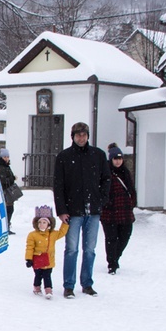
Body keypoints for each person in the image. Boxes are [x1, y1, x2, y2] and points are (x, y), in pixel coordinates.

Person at [53, 122, 111, 299]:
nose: (81, 138)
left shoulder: (98, 155)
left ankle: (87, 283)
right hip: (72, 211)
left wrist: (101, 200)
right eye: (78, 135)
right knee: (71, 249)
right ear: (73, 136)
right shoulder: (64, 157)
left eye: (84, 135)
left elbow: (106, 179)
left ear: (88, 136)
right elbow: (58, 185)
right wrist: (62, 210)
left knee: (90, 249)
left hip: (92, 210)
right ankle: (68, 285)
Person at [101, 144, 137, 275]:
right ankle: (112, 263)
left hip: (125, 212)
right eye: (115, 158)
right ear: (111, 159)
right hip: (109, 212)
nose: (118, 161)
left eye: (120, 158)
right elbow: (102, 190)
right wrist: (106, 203)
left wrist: (132, 202)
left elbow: (131, 189)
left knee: (125, 236)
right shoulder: (106, 173)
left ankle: (115, 257)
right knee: (111, 238)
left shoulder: (126, 172)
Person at [25, 205, 69, 299]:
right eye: (39, 222)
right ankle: (37, 287)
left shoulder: (52, 234)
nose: (41, 224)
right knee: (38, 275)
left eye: (44, 222)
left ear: (49, 224)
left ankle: (48, 289)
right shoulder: (32, 235)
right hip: (37, 259)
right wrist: (28, 259)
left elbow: (62, 232)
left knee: (47, 275)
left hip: (49, 260)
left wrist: (65, 224)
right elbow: (30, 247)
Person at [0, 148, 17, 235]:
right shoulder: (1, 166)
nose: (6, 158)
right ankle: (5, 227)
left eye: (7, 156)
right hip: (5, 192)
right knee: (8, 210)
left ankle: (6, 226)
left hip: (6, 192)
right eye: (4, 157)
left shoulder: (5, 166)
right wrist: (12, 178)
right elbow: (3, 180)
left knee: (8, 210)